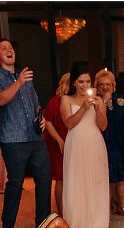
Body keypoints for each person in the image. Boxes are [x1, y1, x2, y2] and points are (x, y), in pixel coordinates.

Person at [0, 38, 52, 228]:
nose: (9, 50)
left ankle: (43, 224)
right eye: (3, 48)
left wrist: (41, 118)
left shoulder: (25, 77)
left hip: (34, 136)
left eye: (11, 47)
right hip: (12, 138)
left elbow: (35, 104)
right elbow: (2, 100)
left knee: (44, 178)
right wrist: (19, 82)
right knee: (15, 182)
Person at [60, 63, 109, 228]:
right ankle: (78, 222)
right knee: (77, 180)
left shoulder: (99, 101)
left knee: (95, 180)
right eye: (81, 82)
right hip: (76, 143)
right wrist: (83, 108)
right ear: (74, 82)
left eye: (88, 82)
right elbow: (69, 124)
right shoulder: (66, 100)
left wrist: (97, 109)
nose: (85, 86)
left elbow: (103, 127)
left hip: (95, 142)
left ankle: (96, 223)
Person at [95, 69, 124, 218]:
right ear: (97, 86)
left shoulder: (121, 99)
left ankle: (123, 206)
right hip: (104, 140)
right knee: (109, 175)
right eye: (102, 84)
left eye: (108, 84)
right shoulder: (95, 101)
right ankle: (107, 208)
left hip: (122, 140)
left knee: (123, 174)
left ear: (113, 86)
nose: (105, 87)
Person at [42, 73, 70, 217]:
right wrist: (60, 141)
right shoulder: (56, 101)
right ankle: (62, 211)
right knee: (61, 176)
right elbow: (48, 122)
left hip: (74, 140)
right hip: (57, 140)